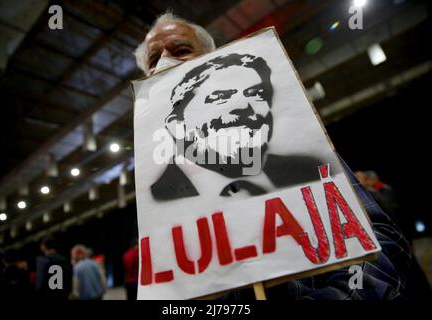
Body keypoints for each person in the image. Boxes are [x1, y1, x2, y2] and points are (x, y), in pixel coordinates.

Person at [133, 12, 419, 300]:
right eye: (153, 60)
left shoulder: (302, 155)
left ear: (213, 58)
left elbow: (377, 243)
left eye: (181, 50)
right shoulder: (159, 197)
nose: (166, 64)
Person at [150, 52, 328, 201]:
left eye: (257, 93)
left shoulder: (310, 170)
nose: (244, 105)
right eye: (220, 96)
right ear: (175, 124)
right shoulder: (155, 203)